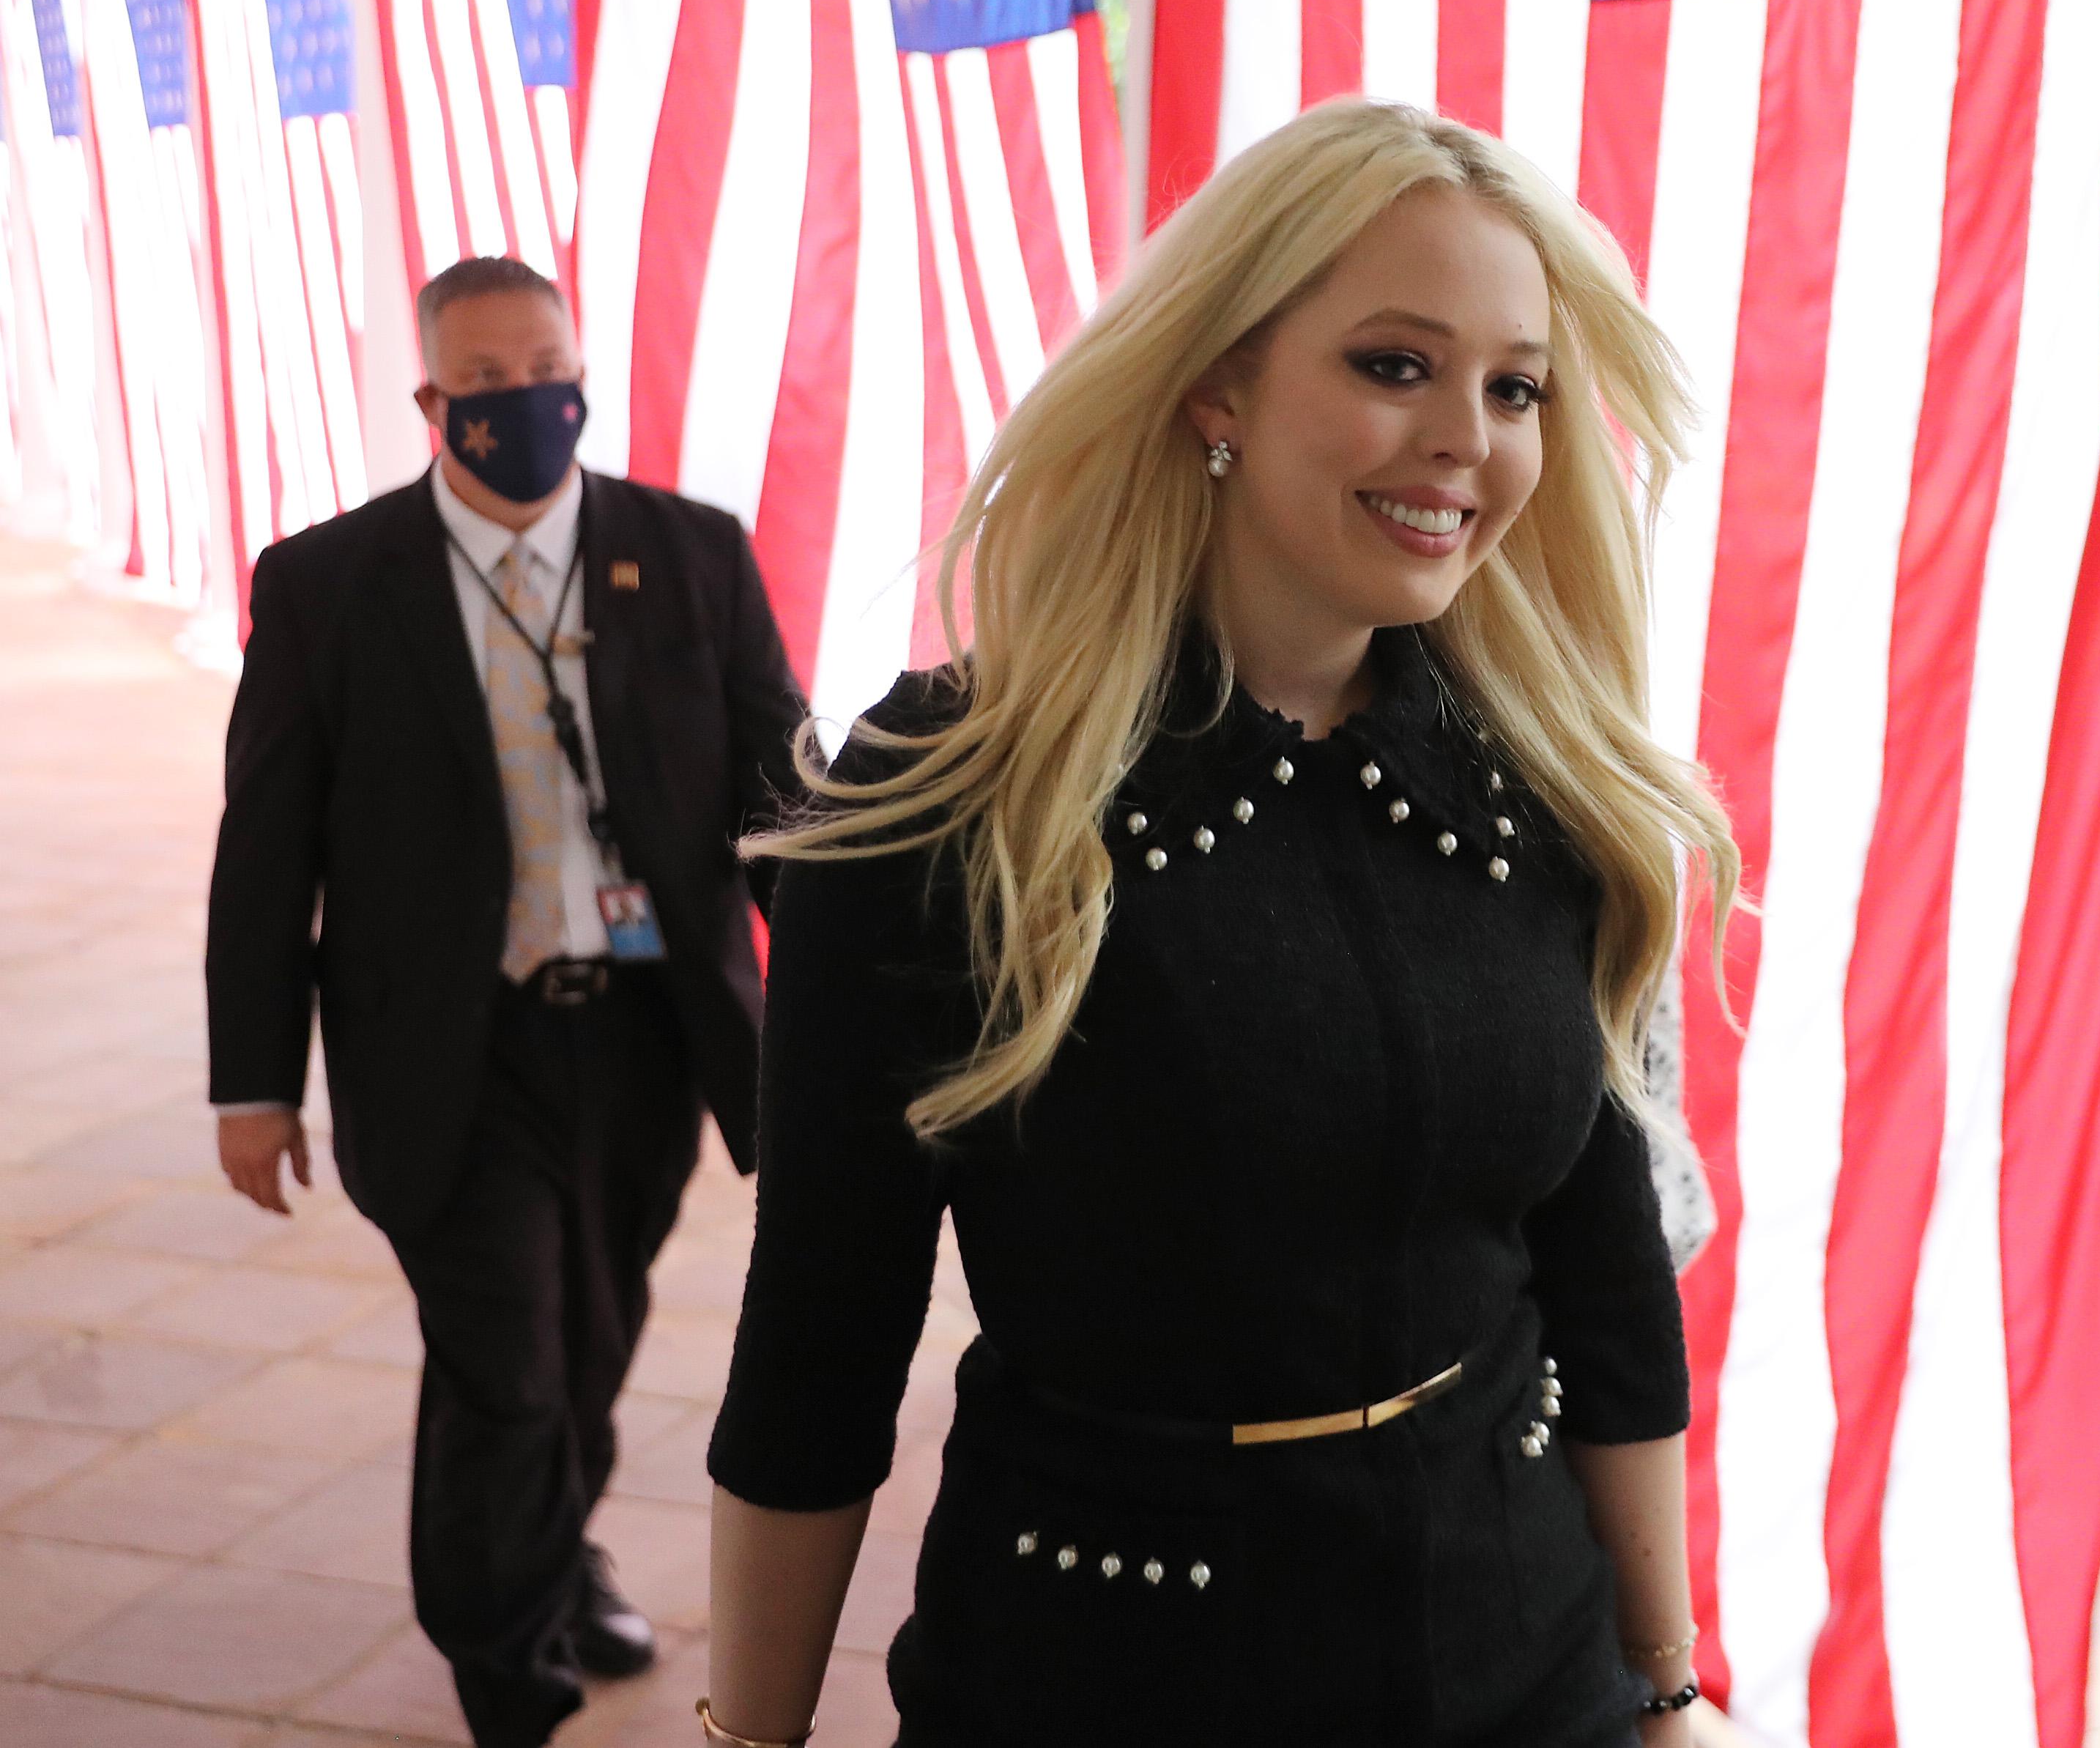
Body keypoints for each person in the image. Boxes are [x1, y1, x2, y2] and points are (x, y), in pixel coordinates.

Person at [700, 100, 1740, 1748]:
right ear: (1217, 385)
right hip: (1099, 1678)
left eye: (1515, 385)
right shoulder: (955, 786)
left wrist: (1670, 1687)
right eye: (1395, 364)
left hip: (1531, 1670)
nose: (1468, 435)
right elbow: (818, 1347)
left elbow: (1609, 1288)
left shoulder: (1552, 783)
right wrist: (744, 1741)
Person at [204, 256, 808, 1748]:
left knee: (591, 1339)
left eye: (543, 365)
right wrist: (253, 1079)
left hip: (648, 1038)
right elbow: (266, 845)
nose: (520, 400)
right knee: (511, 1360)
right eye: (482, 381)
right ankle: (505, 1662)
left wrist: (865, 1006)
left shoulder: (692, 555)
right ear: (430, 404)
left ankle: (549, 1563)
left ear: (580, 369)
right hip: (449, 1050)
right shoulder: (331, 583)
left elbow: (784, 812)